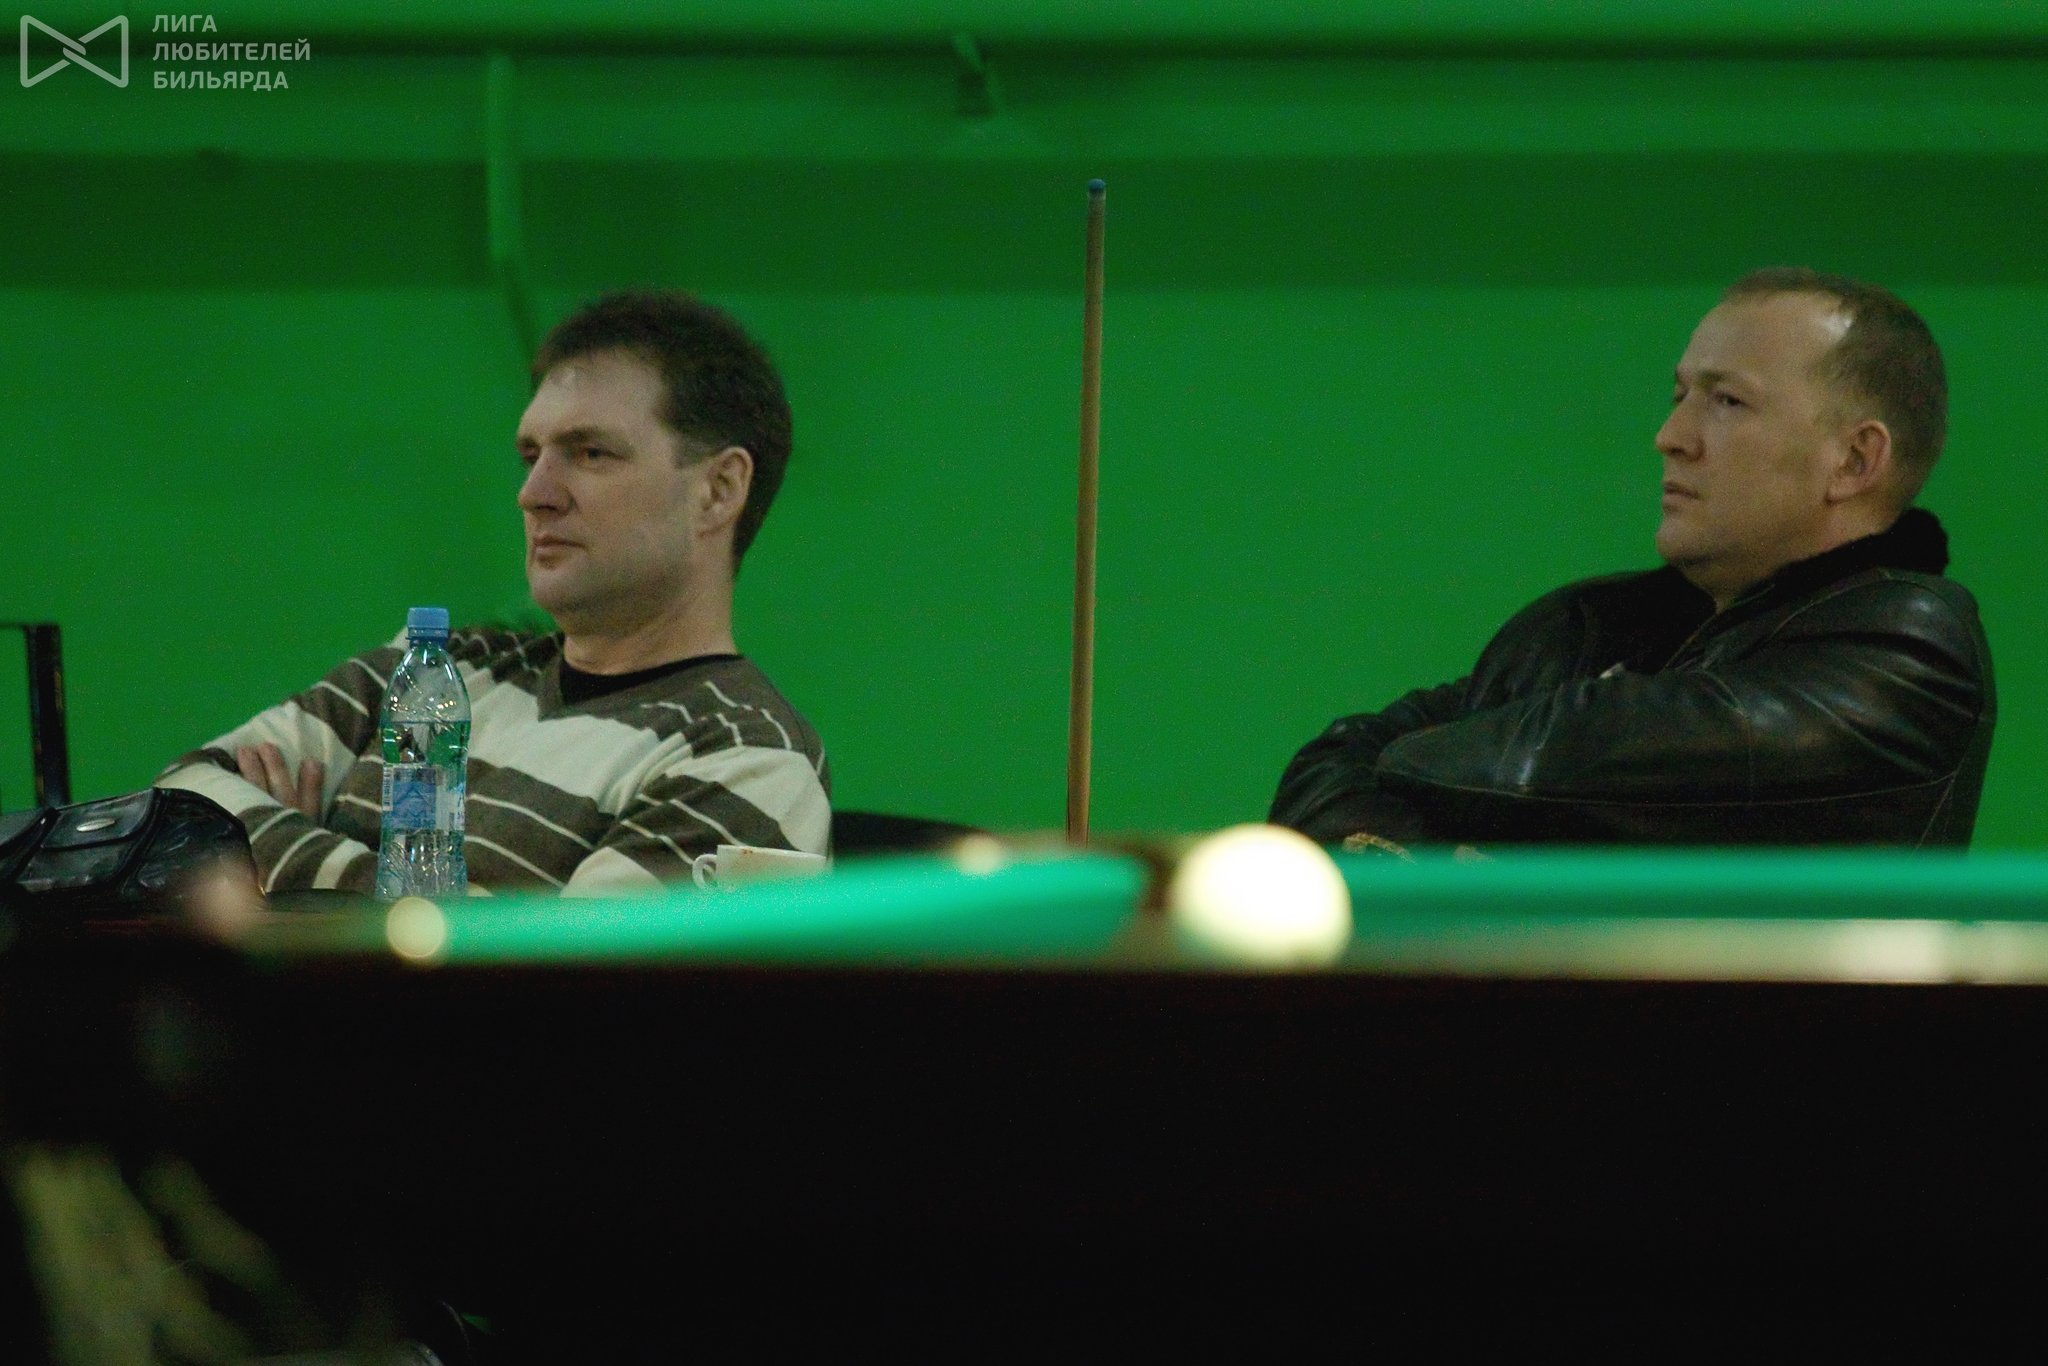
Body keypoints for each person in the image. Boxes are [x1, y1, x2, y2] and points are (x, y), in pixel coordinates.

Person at [1270, 269, 1995, 848]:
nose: (1671, 436)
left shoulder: (1912, 646)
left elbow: (1566, 755)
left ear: (1855, 460)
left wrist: (1402, 780)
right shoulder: (1591, 625)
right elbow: (1328, 765)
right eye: (1680, 395)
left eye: (1728, 402)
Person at [158, 292, 830, 894]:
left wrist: (276, 867)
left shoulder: (748, 758)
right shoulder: (438, 666)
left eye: (591, 453)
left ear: (718, 491)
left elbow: (553, 982)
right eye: (530, 456)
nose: (533, 494)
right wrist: (422, 905)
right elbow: (174, 811)